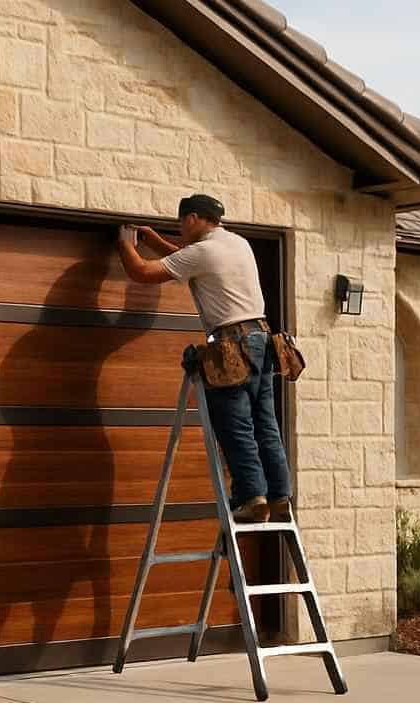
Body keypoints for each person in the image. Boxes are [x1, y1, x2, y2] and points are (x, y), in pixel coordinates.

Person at [114, 194, 290, 524]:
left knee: (236, 425)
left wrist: (126, 243)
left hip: (232, 346)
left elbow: (141, 272)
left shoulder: (203, 251)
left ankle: (252, 498)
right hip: (262, 340)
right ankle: (280, 497)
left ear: (193, 218)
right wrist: (155, 241)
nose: (181, 229)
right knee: (265, 424)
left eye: (182, 223)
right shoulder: (237, 243)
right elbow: (189, 262)